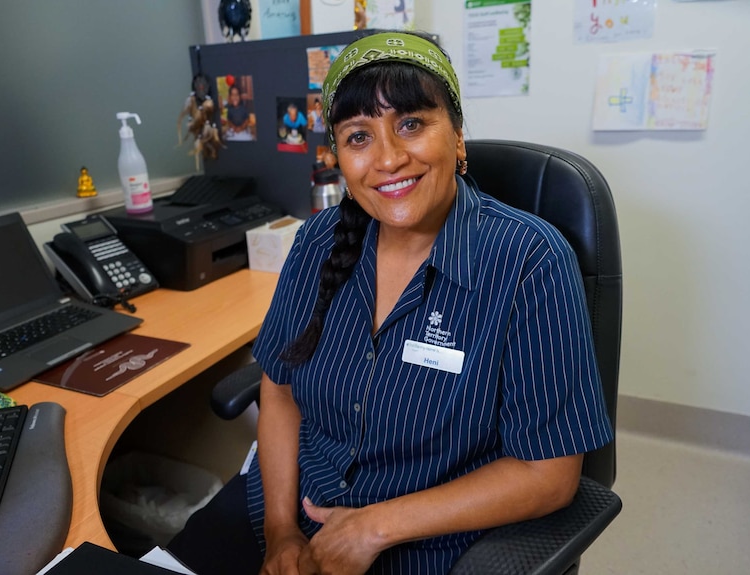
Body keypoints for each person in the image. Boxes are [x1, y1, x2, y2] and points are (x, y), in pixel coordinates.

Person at [168, 31, 612, 575]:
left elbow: (548, 475)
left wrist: (374, 527)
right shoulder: (317, 240)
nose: (388, 158)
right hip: (292, 505)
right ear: (338, 159)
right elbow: (280, 393)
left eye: (410, 124)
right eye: (359, 137)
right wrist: (280, 534)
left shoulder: (530, 262)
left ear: (458, 137)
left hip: (428, 542)